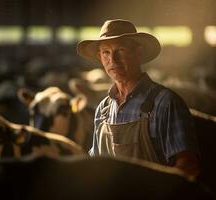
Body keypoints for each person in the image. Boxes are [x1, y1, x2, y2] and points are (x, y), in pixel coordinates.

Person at [76, 19, 199, 176]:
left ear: (138, 53)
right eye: (106, 52)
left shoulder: (165, 103)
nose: (113, 60)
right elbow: (96, 167)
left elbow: (188, 167)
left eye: (120, 50)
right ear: (100, 57)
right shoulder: (102, 110)